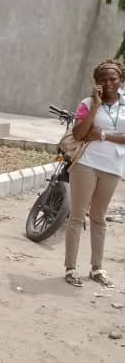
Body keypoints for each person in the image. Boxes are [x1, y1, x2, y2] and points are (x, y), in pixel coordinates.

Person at [64, 60, 125, 288]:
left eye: (113, 78)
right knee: (77, 216)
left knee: (99, 218)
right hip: (86, 165)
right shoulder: (87, 103)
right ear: (96, 82)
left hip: (113, 167)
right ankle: (71, 268)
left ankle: (97, 268)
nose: (108, 83)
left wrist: (102, 135)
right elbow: (79, 133)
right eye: (103, 79)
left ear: (121, 80)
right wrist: (96, 106)